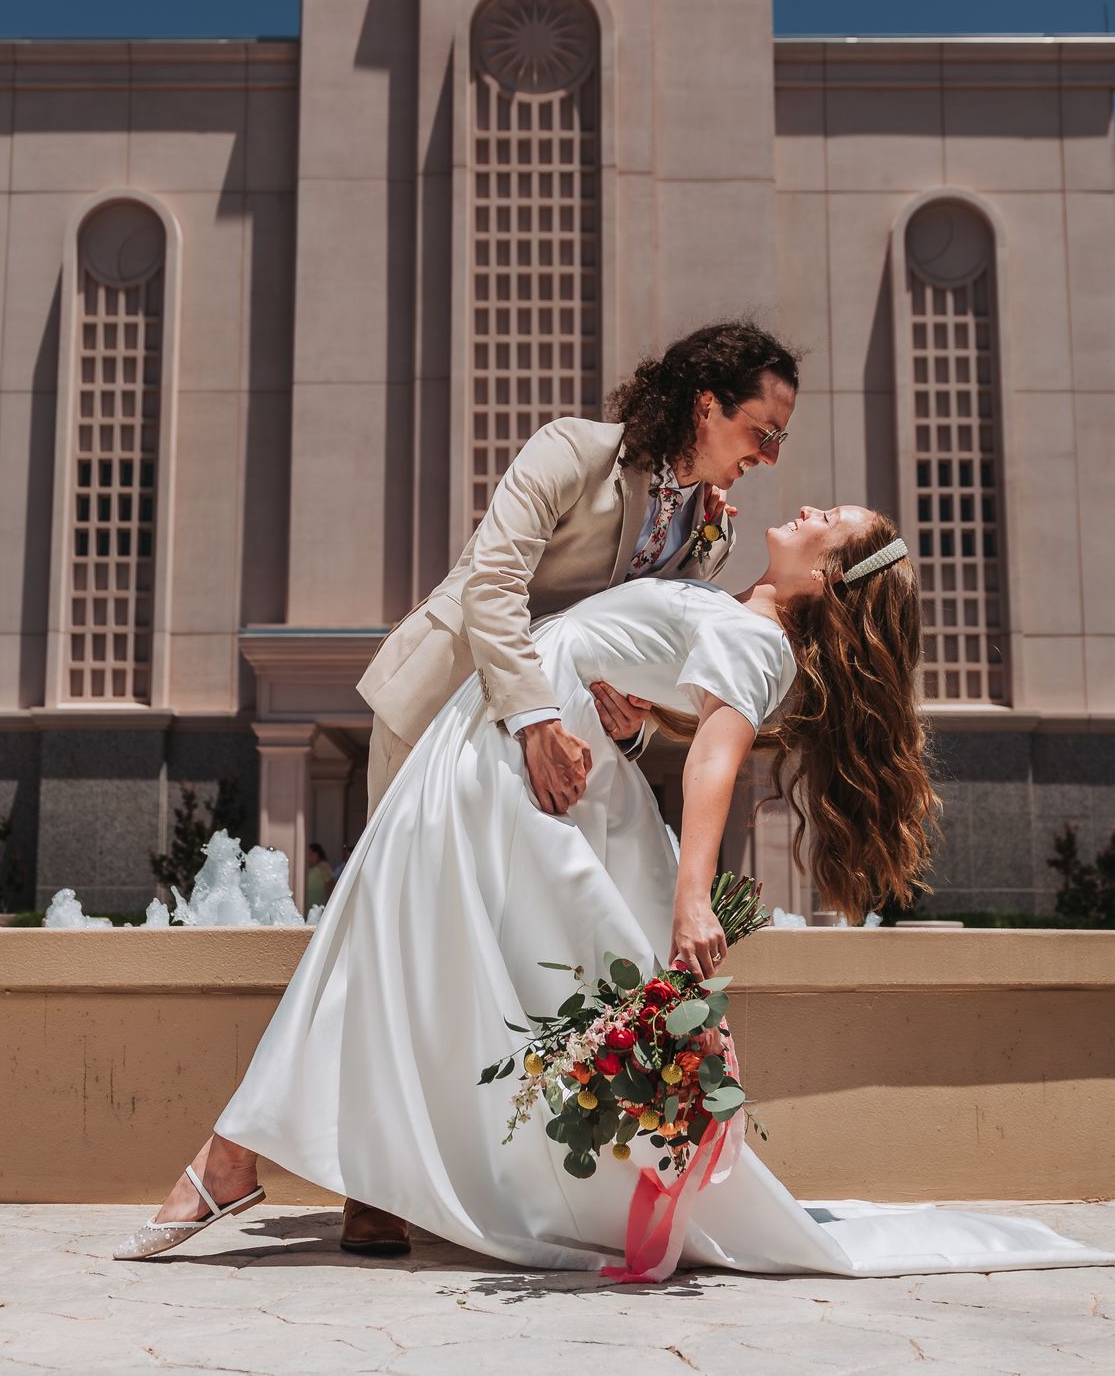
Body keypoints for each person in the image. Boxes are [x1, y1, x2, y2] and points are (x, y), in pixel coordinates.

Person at [116, 509, 1114, 1278]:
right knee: (388, 936)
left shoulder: (760, 644)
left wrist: (692, 896)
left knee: (381, 928)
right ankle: (276, 1163)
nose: (807, 508)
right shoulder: (739, 618)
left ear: (822, 580)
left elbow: (714, 766)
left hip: (517, 772)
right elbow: (654, 704)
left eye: (828, 523)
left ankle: (238, 1159)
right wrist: (626, 708)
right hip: (516, 743)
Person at [329, 318, 797, 1254]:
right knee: (404, 936)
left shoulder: (705, 535)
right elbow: (492, 585)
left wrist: (628, 723)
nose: (769, 457)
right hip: (447, 713)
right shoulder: (571, 452)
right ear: (707, 406)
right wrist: (538, 718)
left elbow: (642, 660)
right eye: (763, 431)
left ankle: (471, 1172)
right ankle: (368, 1188)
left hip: (547, 767)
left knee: (494, 953)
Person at [301, 842, 332, 914]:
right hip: (306, 907)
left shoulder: (323, 866)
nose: (308, 857)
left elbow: (330, 886)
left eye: (310, 854)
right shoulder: (305, 867)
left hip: (319, 907)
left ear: (317, 854)